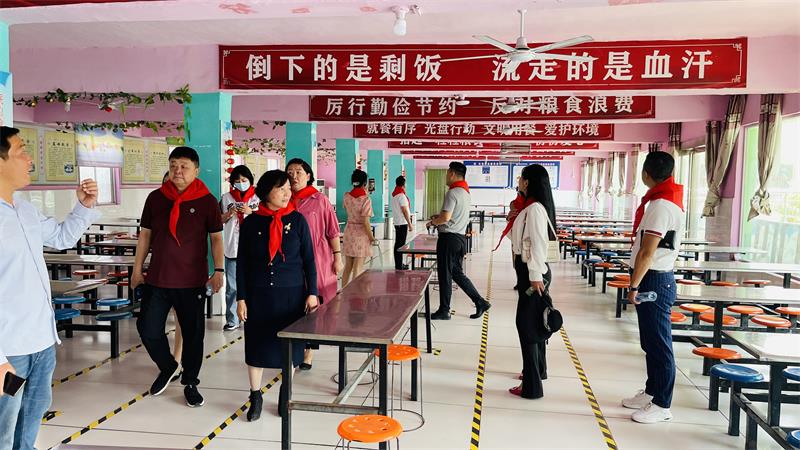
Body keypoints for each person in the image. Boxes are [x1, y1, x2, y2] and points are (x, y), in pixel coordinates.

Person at [0, 126, 100, 448]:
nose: (30, 159)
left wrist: (84, 206)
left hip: (41, 342)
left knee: (29, 425)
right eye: (21, 151)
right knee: (3, 430)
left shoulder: (24, 209)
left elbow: (61, 237)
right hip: (10, 350)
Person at [132, 146, 224, 408]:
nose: (177, 171)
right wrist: (137, 269)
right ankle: (168, 365)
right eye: (173, 165)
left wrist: (218, 271)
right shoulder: (156, 198)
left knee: (193, 336)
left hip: (192, 281)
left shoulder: (207, 201)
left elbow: (216, 239)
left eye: (184, 166)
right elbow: (145, 236)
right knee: (147, 329)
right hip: (158, 278)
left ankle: (191, 382)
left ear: (196, 170)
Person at [235, 170, 318, 422]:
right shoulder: (251, 223)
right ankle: (255, 395)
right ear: (266, 191)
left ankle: (285, 393)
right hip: (258, 295)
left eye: (288, 189)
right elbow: (242, 263)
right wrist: (241, 297)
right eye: (280, 189)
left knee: (289, 349)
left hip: (292, 296)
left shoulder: (298, 220)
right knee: (257, 345)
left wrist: (312, 293)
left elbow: (309, 260)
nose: (286, 193)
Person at [623, 151, 684, 424]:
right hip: (655, 277)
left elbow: (647, 253)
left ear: (645, 174)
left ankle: (662, 404)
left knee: (659, 344)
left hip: (654, 280)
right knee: (650, 341)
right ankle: (651, 392)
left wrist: (634, 285)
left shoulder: (660, 206)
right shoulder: (665, 201)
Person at [286, 158, 342, 371]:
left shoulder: (319, 200)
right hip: (290, 261)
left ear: (308, 176)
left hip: (318, 259)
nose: (294, 176)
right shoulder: (283, 199)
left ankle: (308, 352)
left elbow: (332, 231)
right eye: (290, 172)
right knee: (293, 302)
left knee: (313, 303)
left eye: (298, 172)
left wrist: (338, 256)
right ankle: (294, 348)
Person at [508, 164, 557, 399]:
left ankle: (532, 386)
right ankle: (539, 371)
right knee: (535, 323)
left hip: (533, 273)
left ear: (527, 182)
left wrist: (535, 276)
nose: (518, 181)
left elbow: (538, 243)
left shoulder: (535, 209)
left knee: (526, 327)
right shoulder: (529, 207)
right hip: (529, 271)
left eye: (521, 178)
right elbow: (519, 239)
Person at [428, 162, 491, 320]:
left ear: (452, 173)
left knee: (445, 275)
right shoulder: (465, 192)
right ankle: (480, 301)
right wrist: (439, 217)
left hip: (448, 239)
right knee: (456, 273)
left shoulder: (452, 192)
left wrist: (433, 222)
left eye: (447, 173)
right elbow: (452, 216)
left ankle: (444, 310)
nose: (446, 176)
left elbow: (445, 218)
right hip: (460, 239)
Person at [220, 165, 260, 332]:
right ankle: (232, 319)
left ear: (250, 180)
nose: (241, 183)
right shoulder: (226, 198)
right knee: (232, 287)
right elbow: (218, 220)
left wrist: (250, 211)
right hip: (232, 248)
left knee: (254, 285)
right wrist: (229, 214)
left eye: (244, 180)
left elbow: (266, 218)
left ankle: (253, 316)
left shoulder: (258, 197)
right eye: (237, 181)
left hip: (254, 248)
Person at [341, 169, 376, 286]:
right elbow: (366, 221)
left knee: (348, 266)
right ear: (364, 183)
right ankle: (354, 293)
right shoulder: (366, 199)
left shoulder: (346, 196)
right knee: (357, 267)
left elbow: (347, 208)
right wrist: (371, 237)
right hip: (361, 235)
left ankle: (343, 291)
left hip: (349, 232)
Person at [391, 175, 413, 270]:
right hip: (402, 223)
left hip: (397, 222)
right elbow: (404, 211)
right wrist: (410, 224)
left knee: (398, 244)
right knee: (400, 245)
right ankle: (399, 265)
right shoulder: (401, 196)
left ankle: (399, 263)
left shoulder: (395, 195)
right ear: (404, 184)